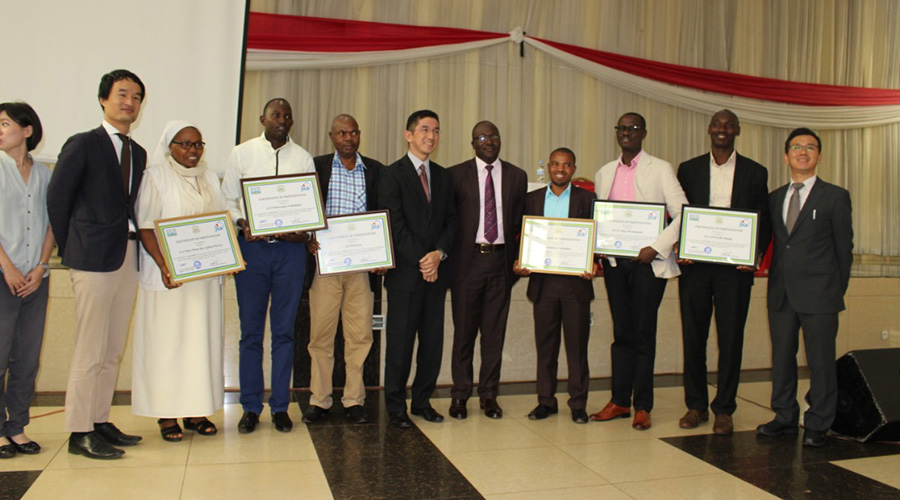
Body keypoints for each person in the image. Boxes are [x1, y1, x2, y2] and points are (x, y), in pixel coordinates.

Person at [48, 69, 146, 459]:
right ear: (104, 99)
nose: (129, 102)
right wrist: (74, 245)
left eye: (137, 97)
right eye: (122, 94)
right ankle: (78, 431)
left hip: (126, 255)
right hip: (91, 257)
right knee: (89, 348)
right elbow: (58, 199)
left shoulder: (136, 152)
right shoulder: (84, 144)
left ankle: (100, 420)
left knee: (111, 348)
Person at [675, 110, 771, 435]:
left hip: (735, 270)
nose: (722, 129)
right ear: (708, 130)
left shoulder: (756, 172)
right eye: (717, 124)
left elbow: (764, 219)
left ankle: (725, 409)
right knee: (694, 337)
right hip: (695, 268)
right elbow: (678, 214)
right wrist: (679, 246)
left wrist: (754, 255)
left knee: (731, 340)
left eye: (729, 125)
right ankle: (696, 406)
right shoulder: (688, 170)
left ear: (737, 130)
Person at [222, 98, 314, 434]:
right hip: (254, 251)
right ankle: (250, 406)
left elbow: (309, 205)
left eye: (288, 115)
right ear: (263, 118)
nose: (283, 120)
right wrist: (243, 221)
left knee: (285, 333)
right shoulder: (241, 154)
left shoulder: (302, 157)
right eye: (276, 114)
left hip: (290, 254)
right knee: (250, 333)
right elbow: (228, 200)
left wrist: (303, 230)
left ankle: (279, 406)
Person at [591, 112, 688, 431]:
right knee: (622, 334)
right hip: (616, 265)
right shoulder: (604, 172)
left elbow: (682, 214)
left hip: (649, 264)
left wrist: (656, 247)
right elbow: (602, 217)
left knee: (643, 333)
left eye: (633, 128)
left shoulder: (660, 169)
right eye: (622, 128)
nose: (627, 133)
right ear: (616, 133)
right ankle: (619, 400)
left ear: (644, 133)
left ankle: (643, 405)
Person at [757, 128, 852, 448]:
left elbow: (844, 249)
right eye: (796, 147)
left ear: (819, 156)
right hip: (781, 293)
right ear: (786, 156)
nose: (803, 152)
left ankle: (818, 422)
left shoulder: (835, 196)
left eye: (810, 148)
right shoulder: (774, 197)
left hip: (821, 294)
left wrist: (836, 289)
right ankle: (784, 415)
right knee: (782, 357)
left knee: (821, 361)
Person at [132, 121, 227, 441]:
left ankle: (196, 409)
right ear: (169, 146)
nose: (192, 150)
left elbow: (222, 223)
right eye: (185, 144)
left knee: (198, 345)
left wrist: (228, 257)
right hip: (168, 279)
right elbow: (145, 226)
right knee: (167, 345)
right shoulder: (155, 176)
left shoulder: (211, 177)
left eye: (198, 144)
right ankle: (166, 414)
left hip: (203, 280)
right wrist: (164, 265)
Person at [303, 114, 385, 425]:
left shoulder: (375, 170)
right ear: (332, 136)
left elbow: (383, 214)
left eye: (353, 133)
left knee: (360, 336)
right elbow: (305, 209)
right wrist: (308, 238)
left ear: (359, 135)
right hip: (326, 264)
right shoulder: (318, 166)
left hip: (361, 269)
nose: (348, 138)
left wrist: (381, 252)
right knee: (321, 337)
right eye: (342, 133)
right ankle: (320, 401)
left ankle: (354, 400)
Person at [378, 110, 457, 429]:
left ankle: (423, 401)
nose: (431, 136)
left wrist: (438, 254)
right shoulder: (390, 174)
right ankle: (395, 406)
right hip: (406, 276)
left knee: (432, 343)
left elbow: (452, 222)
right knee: (400, 343)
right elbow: (394, 226)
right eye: (424, 129)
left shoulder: (445, 176)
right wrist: (423, 260)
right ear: (408, 135)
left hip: (436, 275)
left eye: (436, 130)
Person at [447, 121, 526, 420]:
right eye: (482, 137)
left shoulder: (517, 176)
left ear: (500, 140)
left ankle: (489, 395)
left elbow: (521, 223)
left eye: (493, 136)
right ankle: (460, 395)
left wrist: (520, 259)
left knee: (494, 334)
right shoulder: (455, 175)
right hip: (467, 265)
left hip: (501, 263)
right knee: (464, 333)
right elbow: (450, 223)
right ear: (473, 143)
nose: (488, 141)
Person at [514, 148, 596, 424]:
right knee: (545, 347)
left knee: (577, 349)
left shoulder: (588, 198)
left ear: (574, 169)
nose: (560, 169)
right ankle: (545, 402)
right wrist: (520, 261)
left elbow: (596, 238)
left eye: (567, 165)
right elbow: (521, 237)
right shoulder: (531, 199)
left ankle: (578, 404)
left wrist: (593, 262)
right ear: (548, 167)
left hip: (576, 286)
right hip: (544, 284)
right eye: (555, 164)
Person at [0, 102, 54, 458]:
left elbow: (53, 224)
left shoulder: (46, 173)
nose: (0, 129)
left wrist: (41, 266)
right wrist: (8, 268)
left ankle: (16, 427)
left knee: (27, 358)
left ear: (27, 129)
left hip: (36, 277)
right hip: (4, 276)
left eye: (4, 123)